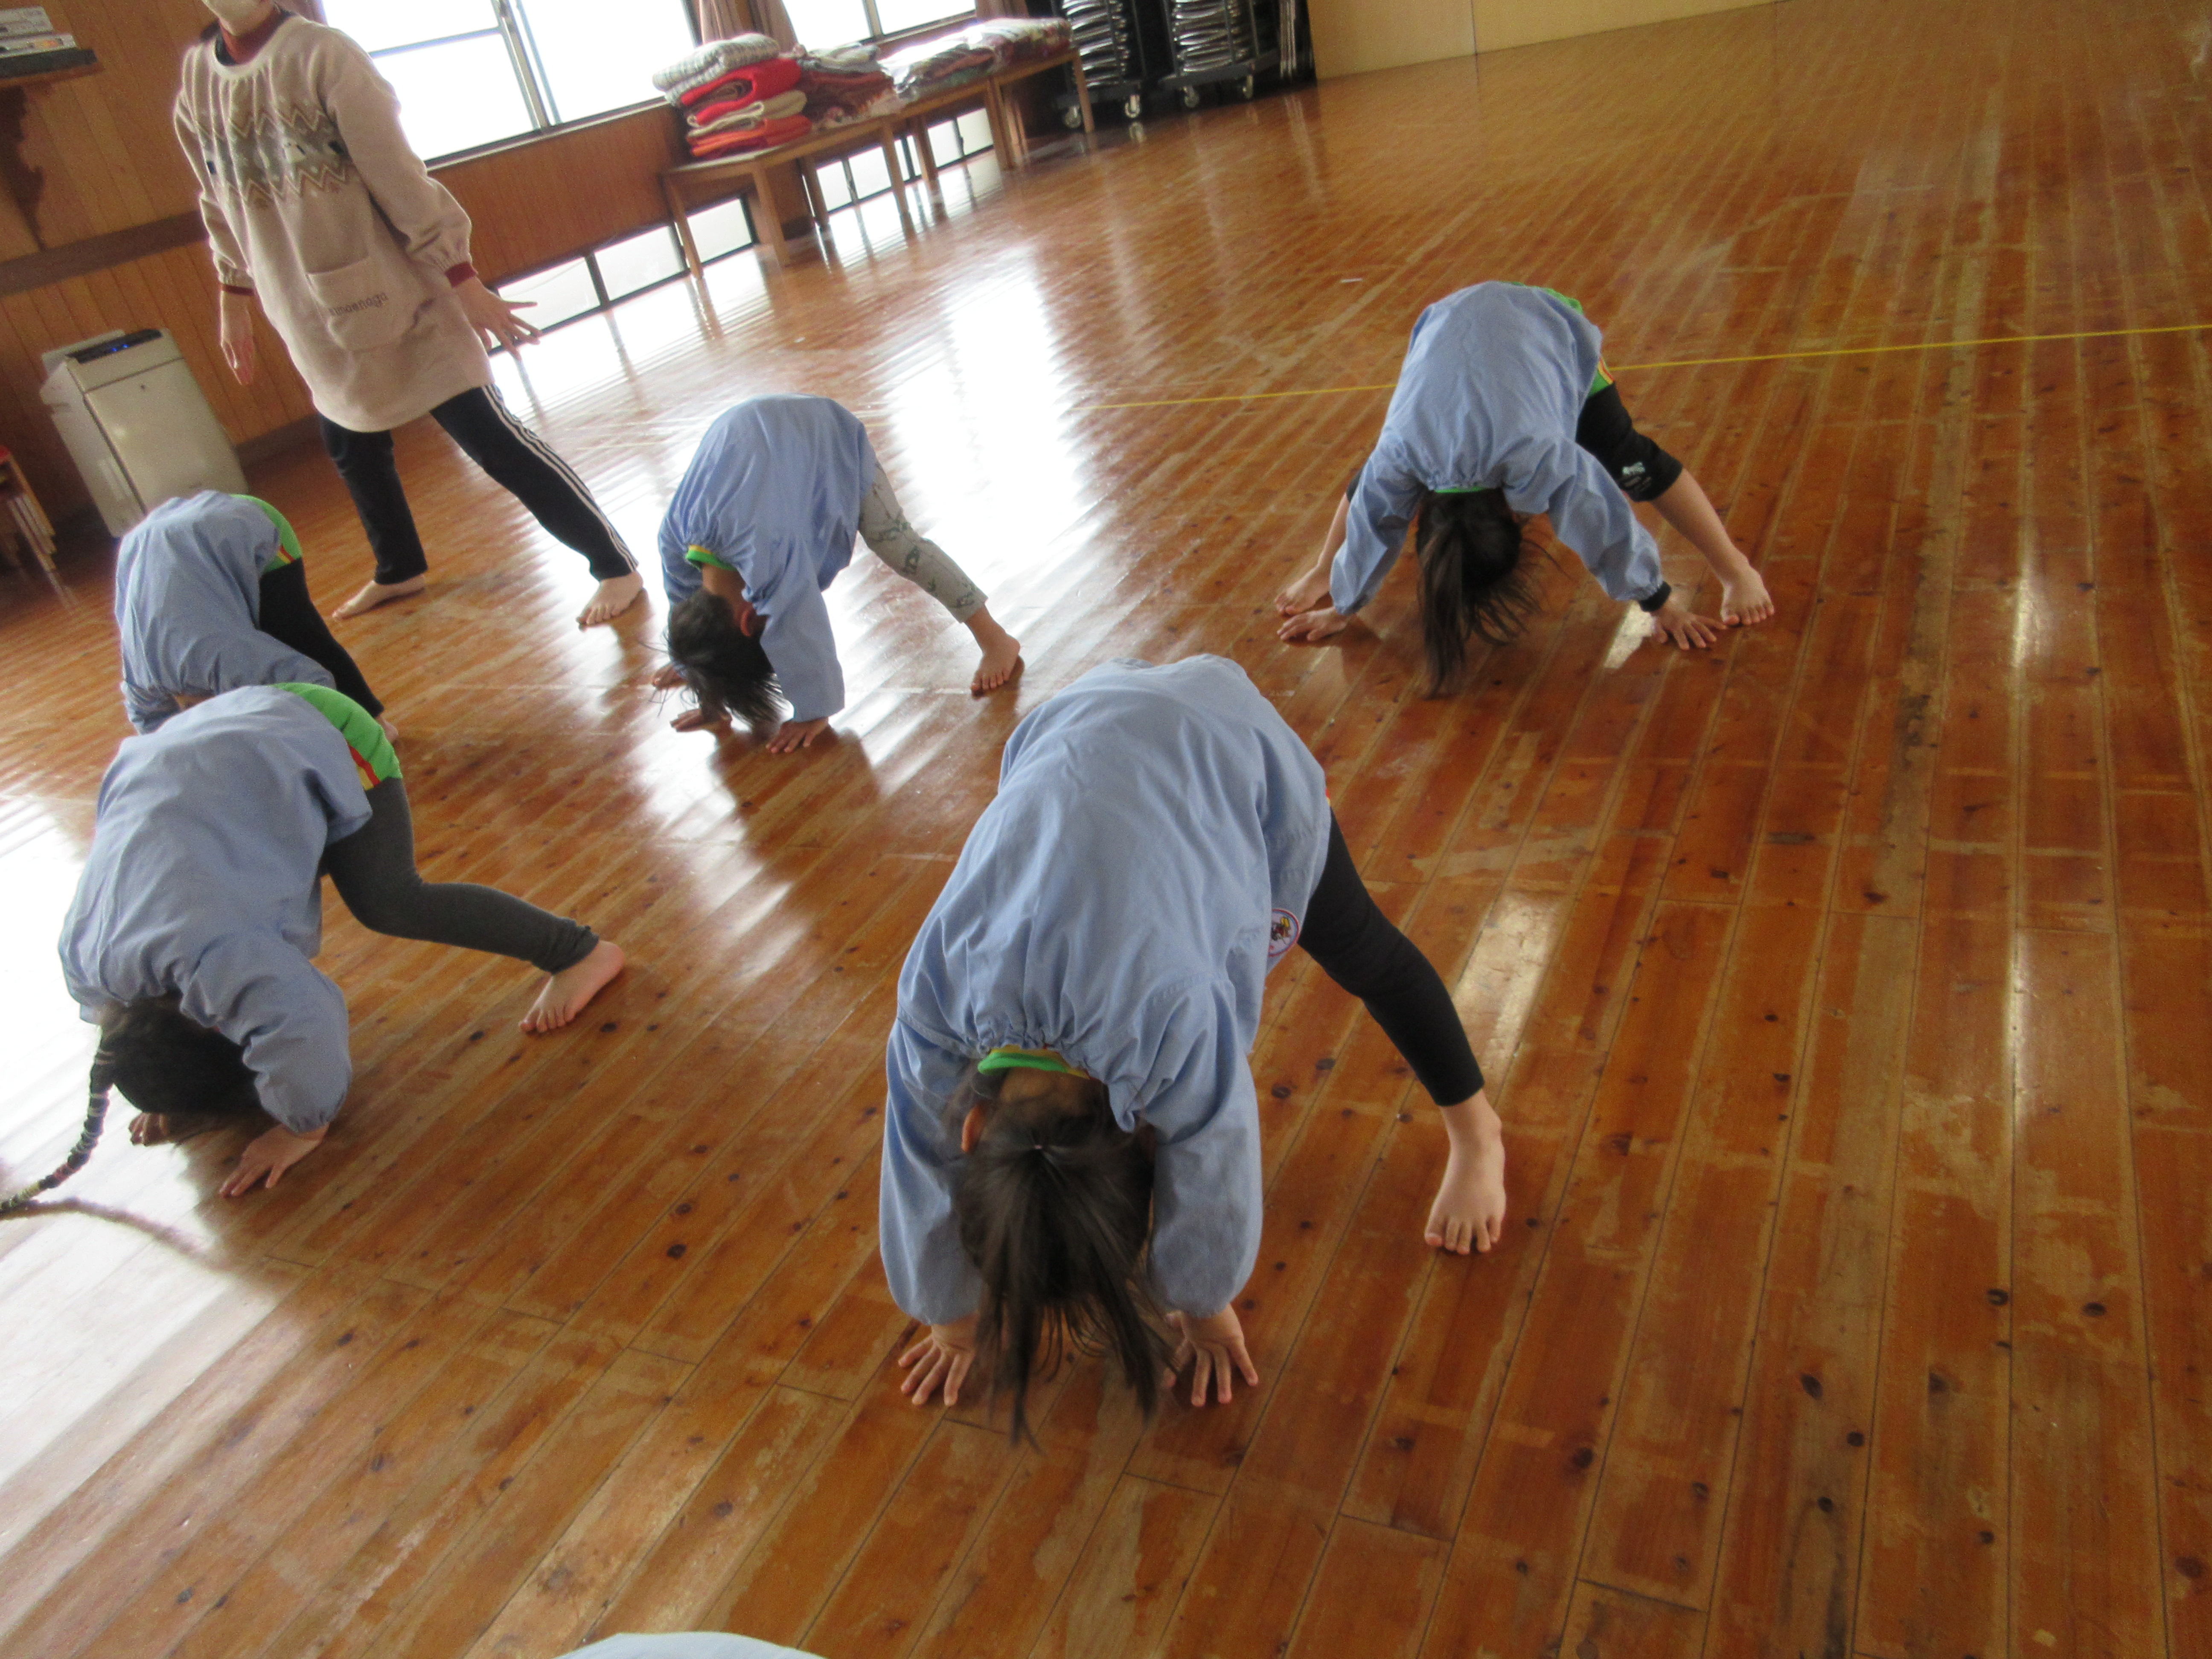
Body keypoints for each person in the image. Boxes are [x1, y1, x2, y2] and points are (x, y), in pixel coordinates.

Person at [879, 655, 1507, 1439]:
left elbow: (1215, 1144)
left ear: (1145, 1134)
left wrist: (1204, 1307)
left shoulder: (1168, 1015)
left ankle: (1478, 1132)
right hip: (1077, 719)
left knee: (1367, 955)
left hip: (1229, 751)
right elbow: (914, 1146)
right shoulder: (935, 995)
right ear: (972, 1130)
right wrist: (949, 1316)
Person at [46, 684, 625, 1202]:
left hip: (317, 729)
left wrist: (302, 1128)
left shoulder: (217, 955)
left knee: (390, 900)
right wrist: (161, 1092)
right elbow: (127, 1032)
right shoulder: (88, 964)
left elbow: (305, 1023)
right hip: (205, 746)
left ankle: (578, 952)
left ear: (219, 1025)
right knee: (265, 946)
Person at [173, 1, 646, 628]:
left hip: (393, 287)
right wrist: (232, 294)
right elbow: (216, 197)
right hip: (299, 302)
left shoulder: (323, 56)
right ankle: (399, 568)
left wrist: (460, 275)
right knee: (351, 440)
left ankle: (614, 564)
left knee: (490, 438)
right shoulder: (199, 78)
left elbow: (398, 175)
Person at [1274, 282, 1775, 688]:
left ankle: (1736, 570)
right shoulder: (1402, 456)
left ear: (1514, 516)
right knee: (1374, 481)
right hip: (1448, 322)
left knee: (1630, 460)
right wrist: (1344, 602)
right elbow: (1372, 514)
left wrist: (1658, 601)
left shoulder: (1539, 454)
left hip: (1546, 325)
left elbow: (1601, 519)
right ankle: (1322, 569)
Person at [652, 394, 1022, 753]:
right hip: (758, 436)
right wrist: (699, 672)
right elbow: (683, 608)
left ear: (750, 620)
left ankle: (996, 639)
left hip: (830, 438)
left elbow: (799, 626)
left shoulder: (769, 554)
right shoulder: (675, 539)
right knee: (718, 639)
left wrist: (814, 712)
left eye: (769, 631)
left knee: (900, 546)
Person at [114, 489, 394, 738]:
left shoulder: (228, 661)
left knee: (302, 636)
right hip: (159, 535)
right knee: (263, 655)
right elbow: (156, 736)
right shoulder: (141, 687)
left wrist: (340, 740)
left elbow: (317, 686)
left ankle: (375, 726)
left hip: (245, 523)